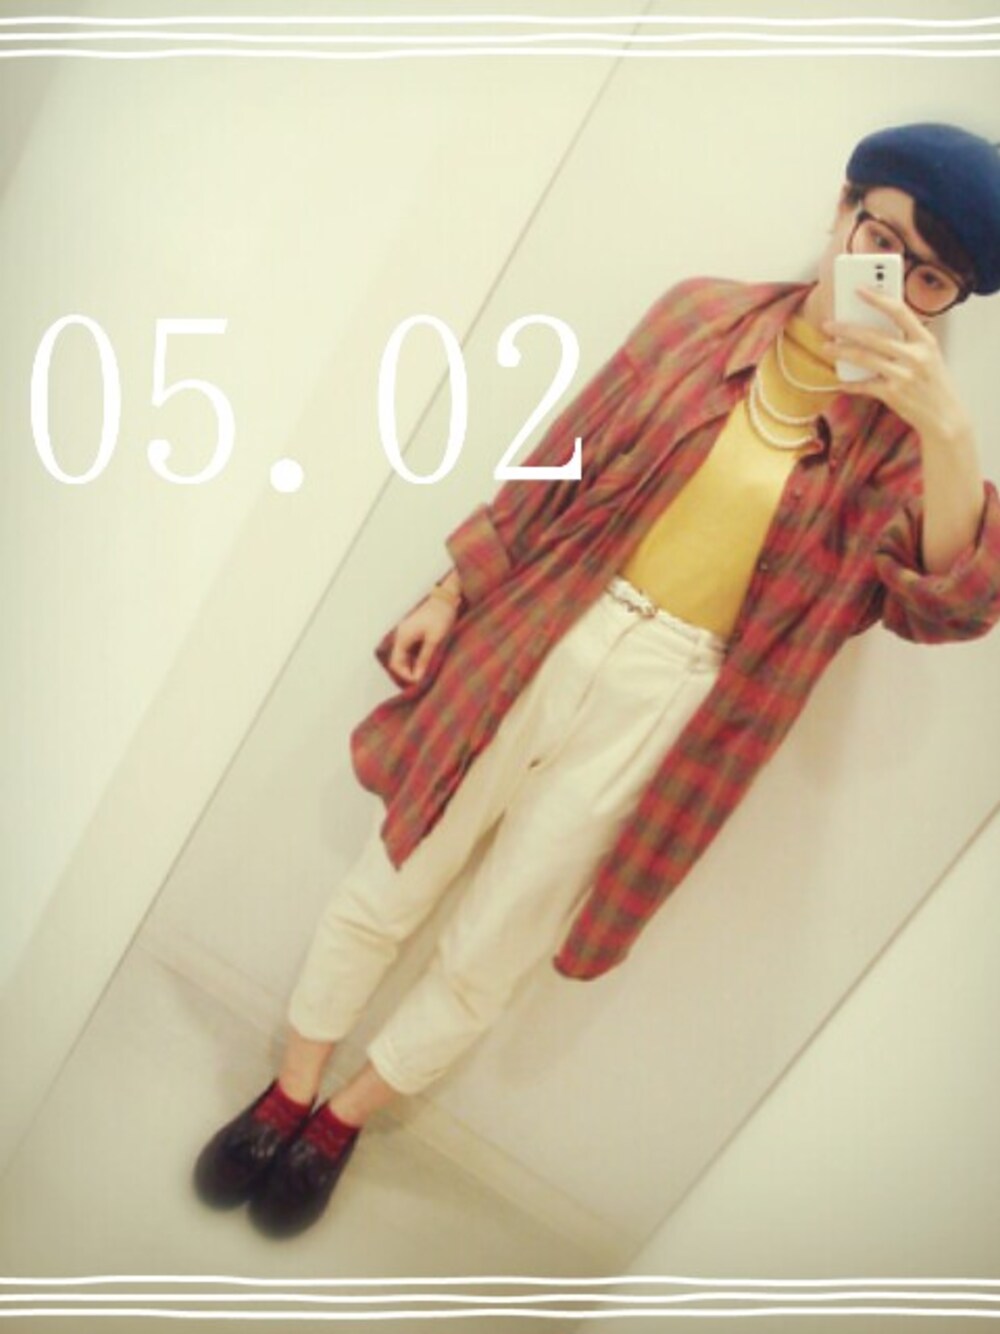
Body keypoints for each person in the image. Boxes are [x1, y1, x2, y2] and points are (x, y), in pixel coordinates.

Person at [194, 121, 1000, 1238]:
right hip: (552, 622)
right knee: (400, 865)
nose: (895, 282)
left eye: (930, 278)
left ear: (952, 301)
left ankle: (341, 1122)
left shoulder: (907, 448)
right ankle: (288, 1088)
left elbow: (947, 605)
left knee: (500, 935)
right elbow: (556, 459)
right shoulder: (698, 316)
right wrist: (451, 588)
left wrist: (948, 425)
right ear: (841, 210)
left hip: (678, 701)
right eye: (883, 239)